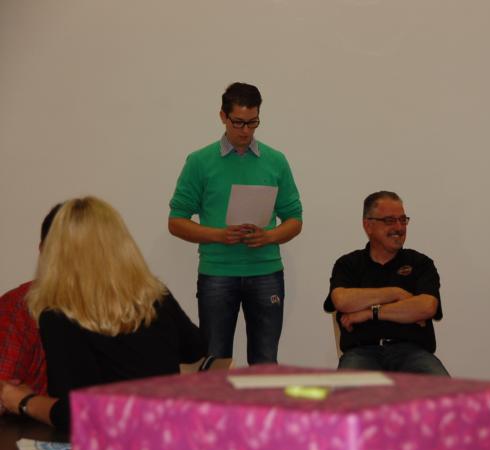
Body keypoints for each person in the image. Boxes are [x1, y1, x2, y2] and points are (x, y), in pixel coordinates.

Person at [0, 197, 205, 431]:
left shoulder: (59, 315)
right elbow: (196, 349)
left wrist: (23, 401)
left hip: (116, 442)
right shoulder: (155, 296)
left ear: (55, 252)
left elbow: (74, 414)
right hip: (167, 432)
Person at [169, 82, 302, 365]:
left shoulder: (276, 161)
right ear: (223, 116)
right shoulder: (199, 162)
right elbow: (176, 222)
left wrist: (269, 236)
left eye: (253, 122)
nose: (246, 131)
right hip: (217, 272)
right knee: (214, 360)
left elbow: (295, 220)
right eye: (238, 122)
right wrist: (219, 235)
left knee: (265, 362)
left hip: (266, 271)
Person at [323, 191, 449, 376]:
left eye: (403, 220)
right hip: (361, 353)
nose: (399, 227)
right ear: (368, 225)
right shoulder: (348, 264)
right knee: (348, 393)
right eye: (390, 220)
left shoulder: (420, 263)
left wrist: (368, 313)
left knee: (444, 390)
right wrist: (396, 293)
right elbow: (341, 300)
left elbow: (427, 307)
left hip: (413, 352)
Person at [0, 203, 61, 400]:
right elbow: (4, 389)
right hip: (32, 419)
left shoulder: (123, 309)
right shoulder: (19, 307)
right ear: (43, 251)